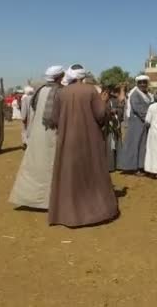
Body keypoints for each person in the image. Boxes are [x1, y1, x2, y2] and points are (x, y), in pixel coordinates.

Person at [48, 65, 119, 227]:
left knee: (69, 176)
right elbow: (100, 115)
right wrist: (104, 102)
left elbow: (54, 119)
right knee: (91, 174)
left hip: (66, 141)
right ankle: (95, 212)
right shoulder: (91, 91)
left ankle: (66, 214)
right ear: (83, 76)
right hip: (89, 139)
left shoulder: (61, 92)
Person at [9, 66, 64, 209]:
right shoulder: (59, 92)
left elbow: (34, 108)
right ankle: (47, 201)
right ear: (59, 77)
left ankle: (30, 198)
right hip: (52, 133)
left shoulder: (39, 91)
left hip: (37, 132)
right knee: (51, 166)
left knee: (34, 165)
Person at [117, 75, 152, 173]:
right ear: (137, 84)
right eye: (140, 82)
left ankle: (141, 166)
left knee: (142, 145)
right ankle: (131, 167)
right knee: (134, 144)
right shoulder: (135, 95)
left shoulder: (148, 95)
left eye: (144, 82)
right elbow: (138, 109)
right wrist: (148, 118)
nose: (142, 84)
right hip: (136, 123)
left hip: (144, 123)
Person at [104, 85, 124, 172]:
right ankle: (110, 166)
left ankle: (119, 165)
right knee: (110, 146)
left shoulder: (115, 101)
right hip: (108, 127)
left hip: (116, 125)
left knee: (117, 145)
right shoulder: (104, 101)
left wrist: (116, 111)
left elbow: (121, 112)